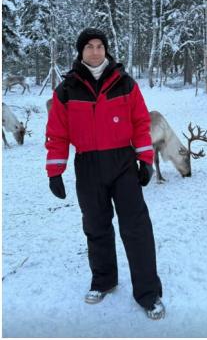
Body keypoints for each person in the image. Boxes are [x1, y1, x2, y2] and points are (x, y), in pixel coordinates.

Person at [45, 28, 165, 320]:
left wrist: (145, 159)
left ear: (106, 50)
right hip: (87, 165)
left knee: (136, 228)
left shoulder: (125, 84)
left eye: (100, 46)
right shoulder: (66, 89)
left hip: (123, 163)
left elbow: (140, 122)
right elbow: (57, 133)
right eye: (89, 46)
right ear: (81, 52)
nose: (95, 51)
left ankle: (148, 293)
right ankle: (104, 280)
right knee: (96, 226)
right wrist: (55, 170)